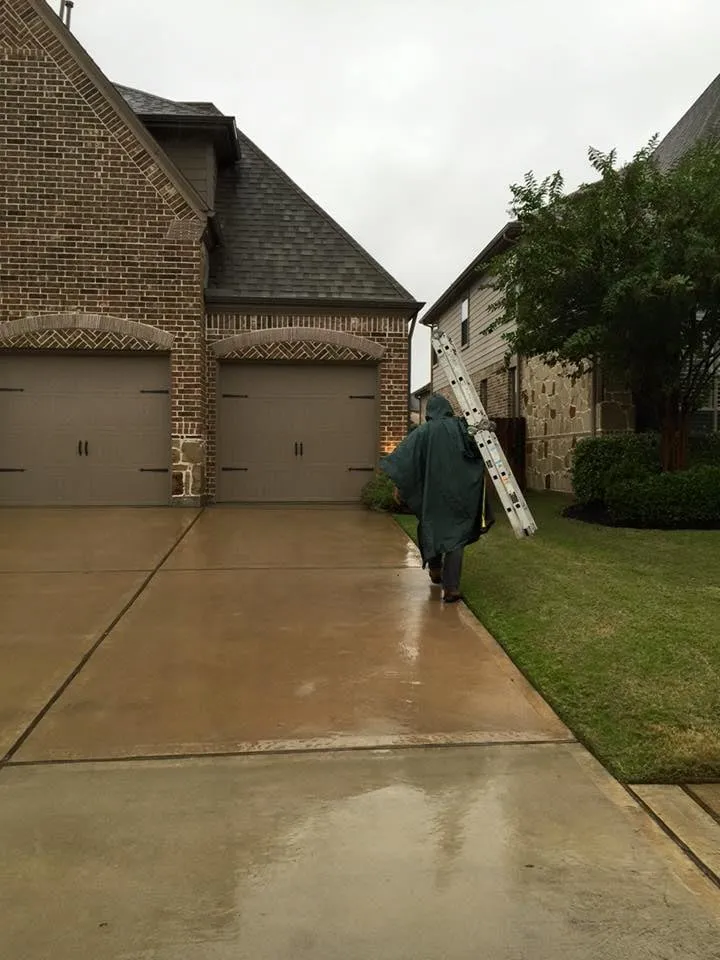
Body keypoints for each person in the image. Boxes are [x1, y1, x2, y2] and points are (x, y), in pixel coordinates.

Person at [380, 394, 494, 603]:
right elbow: (478, 446)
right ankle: (451, 588)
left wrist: (398, 488)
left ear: (430, 411)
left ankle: (435, 569)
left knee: (431, 529)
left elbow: (403, 460)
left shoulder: (422, 432)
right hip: (460, 495)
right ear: (448, 408)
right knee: (455, 538)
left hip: (432, 496)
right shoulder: (461, 428)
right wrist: (487, 429)